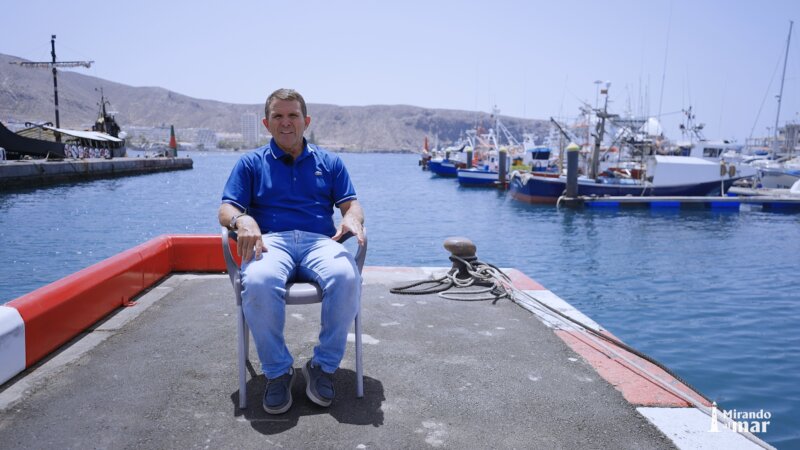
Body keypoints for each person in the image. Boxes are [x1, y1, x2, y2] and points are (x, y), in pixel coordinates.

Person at [218, 88, 365, 414]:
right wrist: (243, 219)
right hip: (271, 242)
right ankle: (277, 371)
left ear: (306, 121)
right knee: (255, 282)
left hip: (319, 242)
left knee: (346, 274)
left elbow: (351, 205)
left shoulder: (330, 162)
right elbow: (226, 209)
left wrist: (353, 218)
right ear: (266, 124)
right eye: (278, 116)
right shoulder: (250, 163)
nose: (286, 123)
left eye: (293, 115)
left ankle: (323, 367)